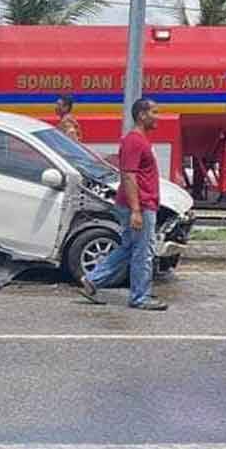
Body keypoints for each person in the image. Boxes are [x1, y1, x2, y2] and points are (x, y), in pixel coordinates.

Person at [78, 98, 167, 311]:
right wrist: (136, 210)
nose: (158, 117)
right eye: (154, 112)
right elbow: (128, 176)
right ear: (142, 115)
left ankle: (93, 280)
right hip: (140, 206)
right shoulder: (134, 141)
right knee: (143, 252)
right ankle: (140, 297)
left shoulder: (139, 140)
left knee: (130, 248)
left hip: (141, 204)